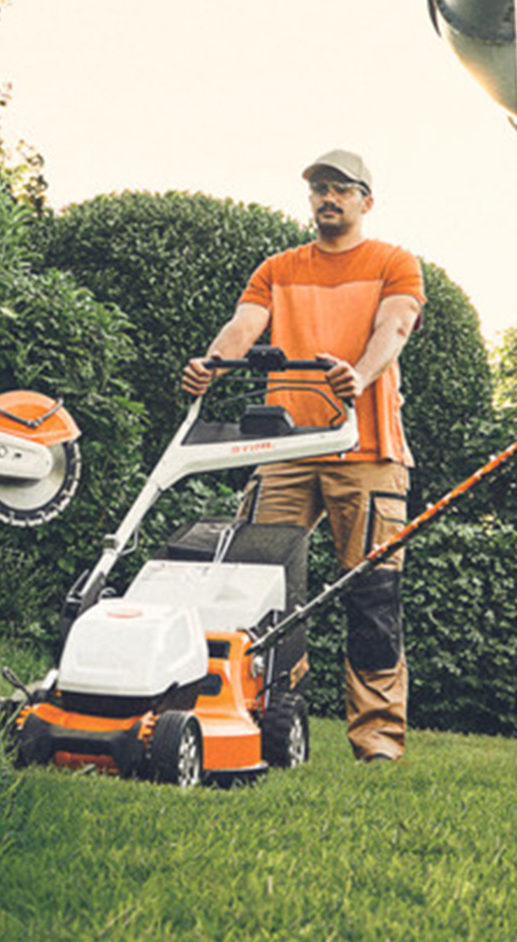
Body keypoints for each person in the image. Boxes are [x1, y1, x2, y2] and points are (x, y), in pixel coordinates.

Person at [180, 148, 429, 762]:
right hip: (285, 449)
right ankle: (250, 721)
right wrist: (211, 366)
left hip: (367, 450)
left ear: (366, 200)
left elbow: (393, 330)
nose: (328, 198)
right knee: (253, 586)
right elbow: (243, 327)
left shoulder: (395, 263)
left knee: (372, 595)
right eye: (319, 188)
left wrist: (359, 376)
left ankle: (378, 742)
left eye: (341, 189)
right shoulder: (279, 268)